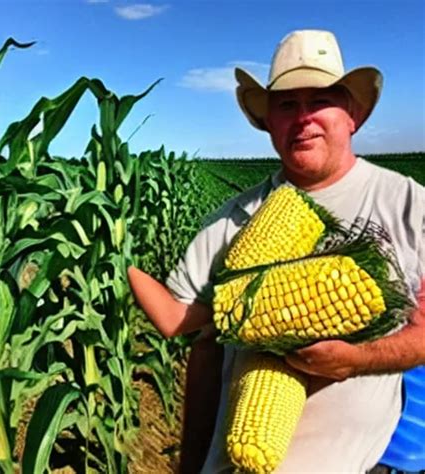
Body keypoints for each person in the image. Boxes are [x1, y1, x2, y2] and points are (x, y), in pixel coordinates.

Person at [128, 29, 425, 472]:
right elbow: (197, 343)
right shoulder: (227, 224)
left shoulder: (409, 205)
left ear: (352, 115)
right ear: (268, 121)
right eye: (287, 103)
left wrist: (356, 361)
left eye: (321, 99)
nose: (303, 117)